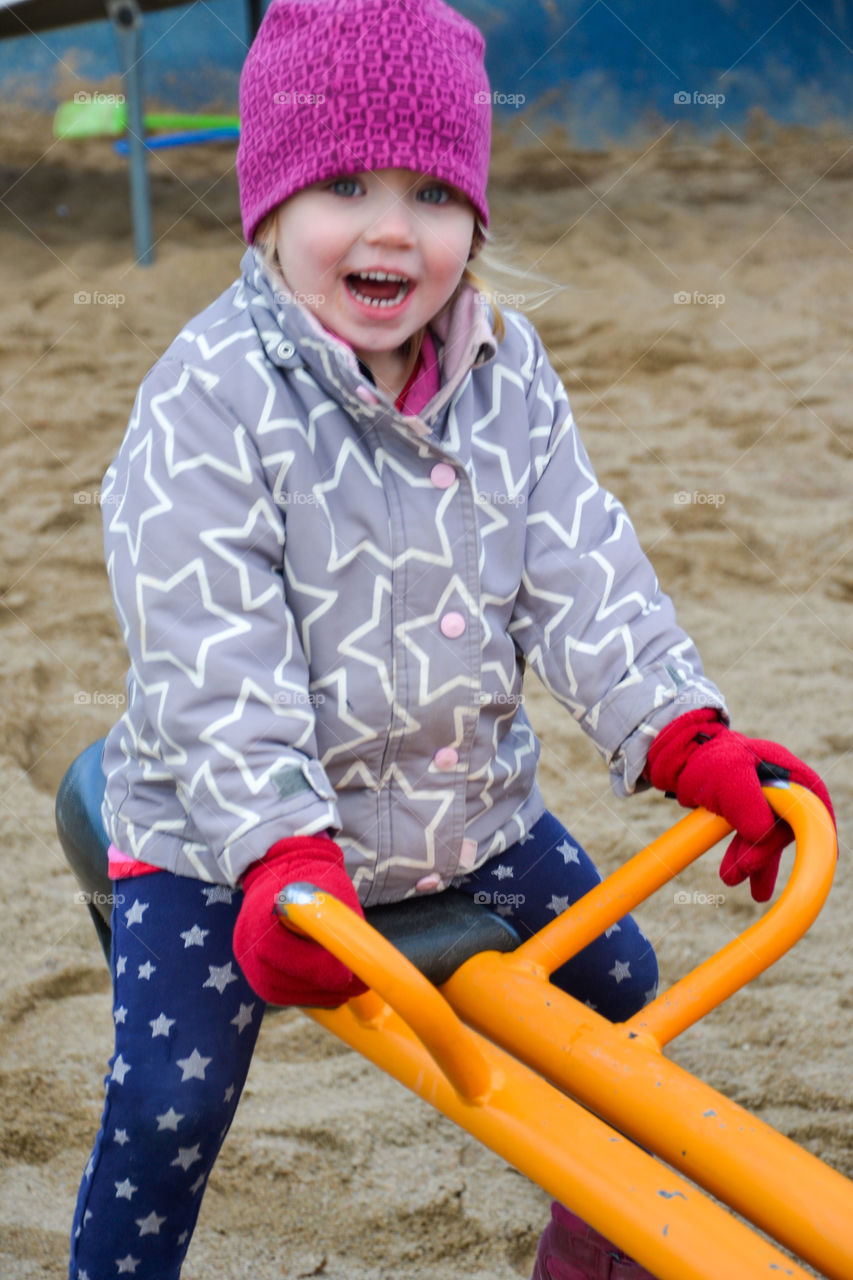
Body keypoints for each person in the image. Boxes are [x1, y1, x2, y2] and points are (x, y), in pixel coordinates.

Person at [67, 1, 836, 1277]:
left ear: (475, 218)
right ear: (266, 208)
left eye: (433, 191)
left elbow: (580, 567)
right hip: (229, 843)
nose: (389, 228)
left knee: (618, 1003)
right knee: (168, 1101)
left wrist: (681, 733)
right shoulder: (207, 403)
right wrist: (277, 847)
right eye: (343, 186)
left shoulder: (506, 371)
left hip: (459, 816)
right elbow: (214, 657)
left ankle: (588, 1260)